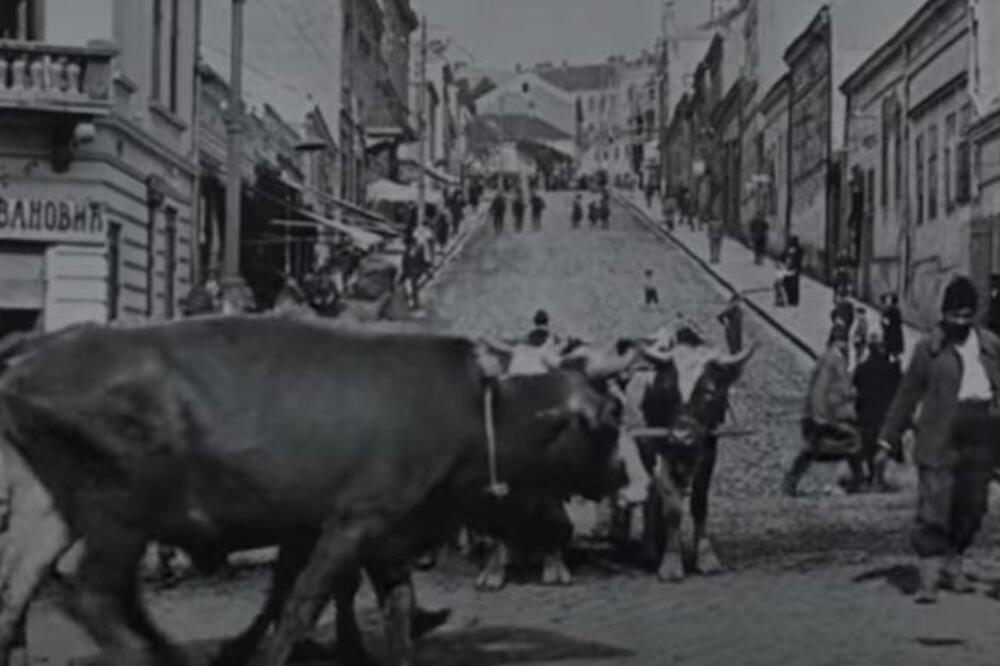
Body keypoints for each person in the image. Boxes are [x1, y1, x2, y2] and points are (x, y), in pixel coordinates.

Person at [878, 276, 1000, 604]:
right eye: (954, 314)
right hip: (939, 436)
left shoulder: (989, 345)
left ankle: (955, 562)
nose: (960, 321)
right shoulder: (928, 350)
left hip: (982, 436)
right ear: (944, 314)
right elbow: (907, 394)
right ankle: (929, 578)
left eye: (966, 314)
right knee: (935, 505)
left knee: (972, 506)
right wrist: (888, 438)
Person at [782, 326, 864, 497]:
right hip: (827, 415)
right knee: (825, 447)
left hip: (832, 414)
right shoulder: (831, 360)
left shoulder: (833, 358)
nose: (845, 345)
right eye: (843, 341)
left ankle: (857, 481)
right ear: (838, 342)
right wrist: (819, 416)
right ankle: (790, 482)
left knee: (846, 446)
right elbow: (821, 388)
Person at [853, 330, 902, 492]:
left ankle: (869, 475)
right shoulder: (891, 369)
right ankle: (878, 478)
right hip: (884, 412)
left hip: (866, 413)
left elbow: (855, 386)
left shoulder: (862, 368)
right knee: (882, 445)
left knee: (868, 445)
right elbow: (898, 387)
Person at [881, 292, 905, 362]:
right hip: (895, 333)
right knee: (894, 352)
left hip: (891, 333)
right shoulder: (896, 310)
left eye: (889, 299)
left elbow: (887, 322)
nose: (887, 301)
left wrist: (884, 322)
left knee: (888, 350)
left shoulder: (890, 310)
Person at [781, 236, 803, 307]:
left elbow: (799, 261)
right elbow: (781, 256)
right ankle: (790, 300)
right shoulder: (788, 249)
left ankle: (794, 301)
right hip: (787, 270)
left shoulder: (798, 250)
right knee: (787, 285)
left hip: (794, 271)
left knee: (793, 286)